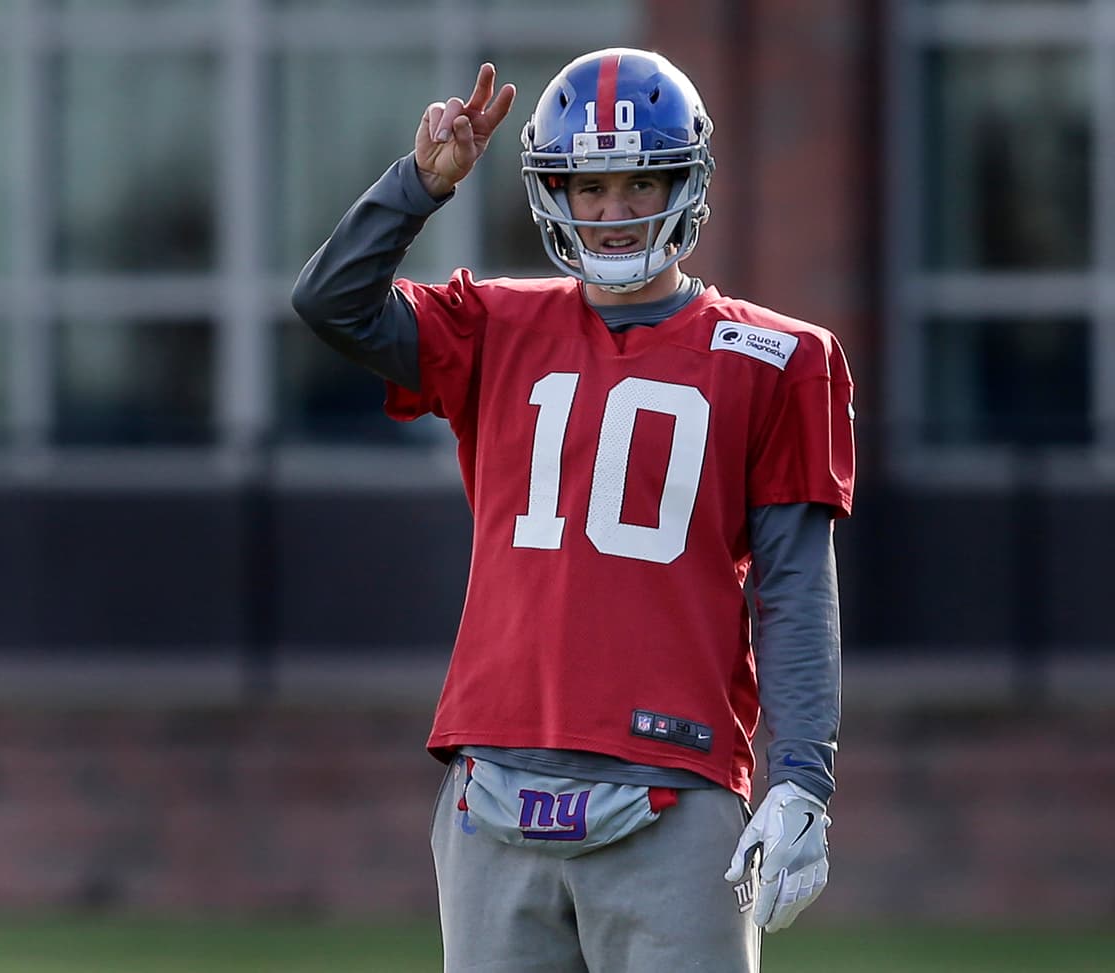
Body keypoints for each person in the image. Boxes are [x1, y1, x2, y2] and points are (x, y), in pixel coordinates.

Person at [292, 48, 855, 973]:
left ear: (689, 181)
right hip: (496, 784)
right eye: (589, 185)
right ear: (553, 190)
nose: (615, 210)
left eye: (642, 181)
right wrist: (418, 186)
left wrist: (803, 778)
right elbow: (332, 301)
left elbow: (795, 591)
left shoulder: (776, 356)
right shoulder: (496, 324)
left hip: (675, 784)